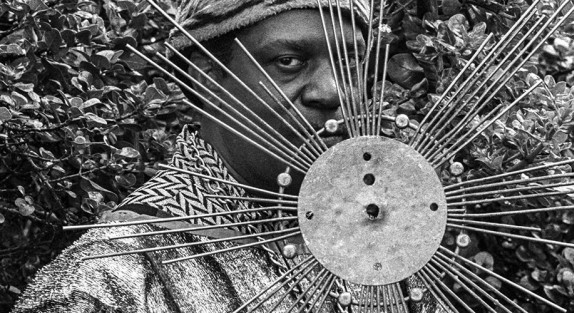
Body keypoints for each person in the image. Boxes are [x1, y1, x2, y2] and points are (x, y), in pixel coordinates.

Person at [11, 0, 438, 312]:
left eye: (349, 62)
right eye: (288, 61)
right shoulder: (107, 284)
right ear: (208, 78)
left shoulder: (381, 248)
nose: (333, 92)